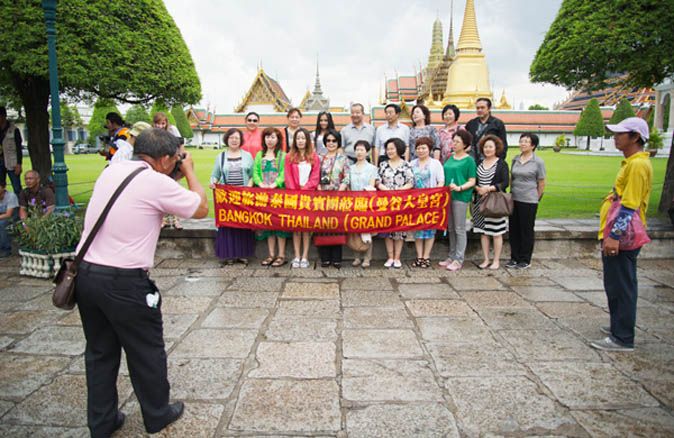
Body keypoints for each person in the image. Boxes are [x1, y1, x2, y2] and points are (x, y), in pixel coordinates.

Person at [75, 128, 208, 436]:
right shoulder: (156, 182)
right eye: (174, 159)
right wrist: (188, 171)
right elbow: (200, 208)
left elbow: (147, 197)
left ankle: (102, 421)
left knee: (99, 352)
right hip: (124, 283)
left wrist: (172, 171)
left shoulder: (113, 171)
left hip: (87, 276)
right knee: (145, 350)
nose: (177, 162)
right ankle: (157, 413)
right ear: (163, 159)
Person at [591, 117, 653, 352]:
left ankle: (623, 336)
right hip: (617, 232)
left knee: (622, 284)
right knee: (615, 283)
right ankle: (618, 324)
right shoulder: (631, 163)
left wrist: (614, 236)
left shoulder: (637, 165)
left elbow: (630, 205)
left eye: (620, 134)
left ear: (635, 137)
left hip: (624, 235)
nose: (615, 138)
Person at [210, 128, 255, 265]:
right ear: (227, 140)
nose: (234, 140)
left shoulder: (247, 156)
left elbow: (252, 175)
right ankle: (229, 254)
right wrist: (213, 183)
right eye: (231, 138)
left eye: (237, 138)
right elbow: (215, 175)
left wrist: (248, 187)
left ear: (240, 140)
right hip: (226, 198)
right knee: (228, 226)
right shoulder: (221, 157)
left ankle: (242, 254)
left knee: (242, 225)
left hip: (243, 196)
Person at [507, 133, 546, 269]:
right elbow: (512, 178)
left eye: (526, 142)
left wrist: (537, 197)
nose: (523, 144)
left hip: (529, 200)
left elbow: (541, 182)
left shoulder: (538, 162)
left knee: (526, 230)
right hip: (515, 198)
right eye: (521, 141)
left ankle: (525, 259)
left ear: (533, 145)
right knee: (514, 229)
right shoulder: (515, 159)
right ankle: (514, 257)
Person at [440, 129, 476, 272]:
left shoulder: (469, 160)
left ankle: (459, 259)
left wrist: (460, 188)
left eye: (457, 142)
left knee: (459, 228)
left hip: (460, 197)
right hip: (448, 197)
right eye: (453, 141)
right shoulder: (450, 157)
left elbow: (472, 180)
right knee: (450, 228)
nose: (454, 144)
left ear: (465, 144)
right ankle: (452, 254)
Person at [472, 135, 510, 270]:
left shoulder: (501, 164)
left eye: (490, 147)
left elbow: (505, 182)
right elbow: (474, 180)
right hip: (479, 203)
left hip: (494, 203)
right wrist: (477, 189)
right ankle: (486, 259)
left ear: (496, 148)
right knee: (483, 232)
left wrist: (489, 188)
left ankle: (496, 260)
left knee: (496, 232)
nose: (487, 149)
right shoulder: (479, 163)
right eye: (485, 147)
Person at [284, 128, 320, 268]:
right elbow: (288, 177)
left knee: (306, 228)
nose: (300, 141)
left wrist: (305, 191)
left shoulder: (314, 157)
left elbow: (315, 177)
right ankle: (297, 256)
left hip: (309, 196)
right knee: (296, 228)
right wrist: (296, 193)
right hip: (294, 196)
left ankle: (305, 256)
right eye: (298, 138)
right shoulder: (289, 157)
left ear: (307, 140)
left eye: (303, 138)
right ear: (294, 140)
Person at [253, 127, 289, 267]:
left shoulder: (283, 155)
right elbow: (255, 172)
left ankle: (281, 255)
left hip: (278, 194)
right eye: (267, 137)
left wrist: (275, 184)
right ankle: (271, 254)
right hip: (263, 195)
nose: (270, 140)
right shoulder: (259, 155)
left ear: (278, 139)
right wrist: (260, 183)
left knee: (279, 225)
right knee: (268, 225)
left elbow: (283, 173)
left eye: (273, 137)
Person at [340, 140, 379, 267]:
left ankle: (367, 258)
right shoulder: (350, 168)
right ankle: (356, 257)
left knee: (367, 230)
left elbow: (372, 185)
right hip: (352, 203)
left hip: (367, 203)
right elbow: (346, 183)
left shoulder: (372, 168)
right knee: (354, 230)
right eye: (357, 149)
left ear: (367, 152)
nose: (359, 152)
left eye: (362, 150)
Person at [377, 137, 414, 268]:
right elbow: (377, 181)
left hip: (401, 201)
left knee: (399, 231)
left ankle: (397, 258)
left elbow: (411, 182)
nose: (389, 151)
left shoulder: (406, 165)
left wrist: (399, 190)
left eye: (392, 148)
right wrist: (386, 190)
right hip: (386, 201)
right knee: (387, 230)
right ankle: (390, 257)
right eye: (388, 149)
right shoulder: (383, 165)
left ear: (399, 149)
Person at [410, 137, 444, 268]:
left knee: (430, 230)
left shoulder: (436, 163)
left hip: (431, 201)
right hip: (416, 203)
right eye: (418, 148)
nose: (420, 150)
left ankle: (426, 257)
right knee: (417, 230)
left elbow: (441, 181)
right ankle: (419, 256)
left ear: (429, 149)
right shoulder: (412, 164)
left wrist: (436, 195)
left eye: (423, 148)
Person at [317, 129, 349, 267]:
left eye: (334, 141)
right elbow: (314, 176)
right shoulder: (319, 158)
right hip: (322, 197)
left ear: (338, 142)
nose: (331, 143)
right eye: (328, 140)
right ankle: (325, 258)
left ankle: (337, 258)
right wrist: (318, 189)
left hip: (337, 196)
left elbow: (347, 176)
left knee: (336, 226)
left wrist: (341, 189)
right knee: (323, 226)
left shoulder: (343, 158)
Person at [154, 112, 184, 229]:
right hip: (160, 166)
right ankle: (164, 219)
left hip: (172, 164)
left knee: (174, 192)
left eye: (162, 123)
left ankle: (176, 219)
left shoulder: (172, 130)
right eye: (158, 124)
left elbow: (180, 144)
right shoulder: (153, 134)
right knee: (161, 193)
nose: (160, 126)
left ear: (166, 123)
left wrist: (180, 160)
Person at [0, 106, 23, 194]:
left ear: (3, 116)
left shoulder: (14, 130)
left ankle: (20, 206)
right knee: (1, 187)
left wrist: (19, 163)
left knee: (16, 187)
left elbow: (18, 148)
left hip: (12, 161)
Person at [0, 181, 18, 258]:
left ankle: (6, 249)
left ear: (3, 187)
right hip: (1, 217)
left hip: (12, 218)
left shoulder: (11, 196)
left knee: (2, 223)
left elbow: (8, 214)